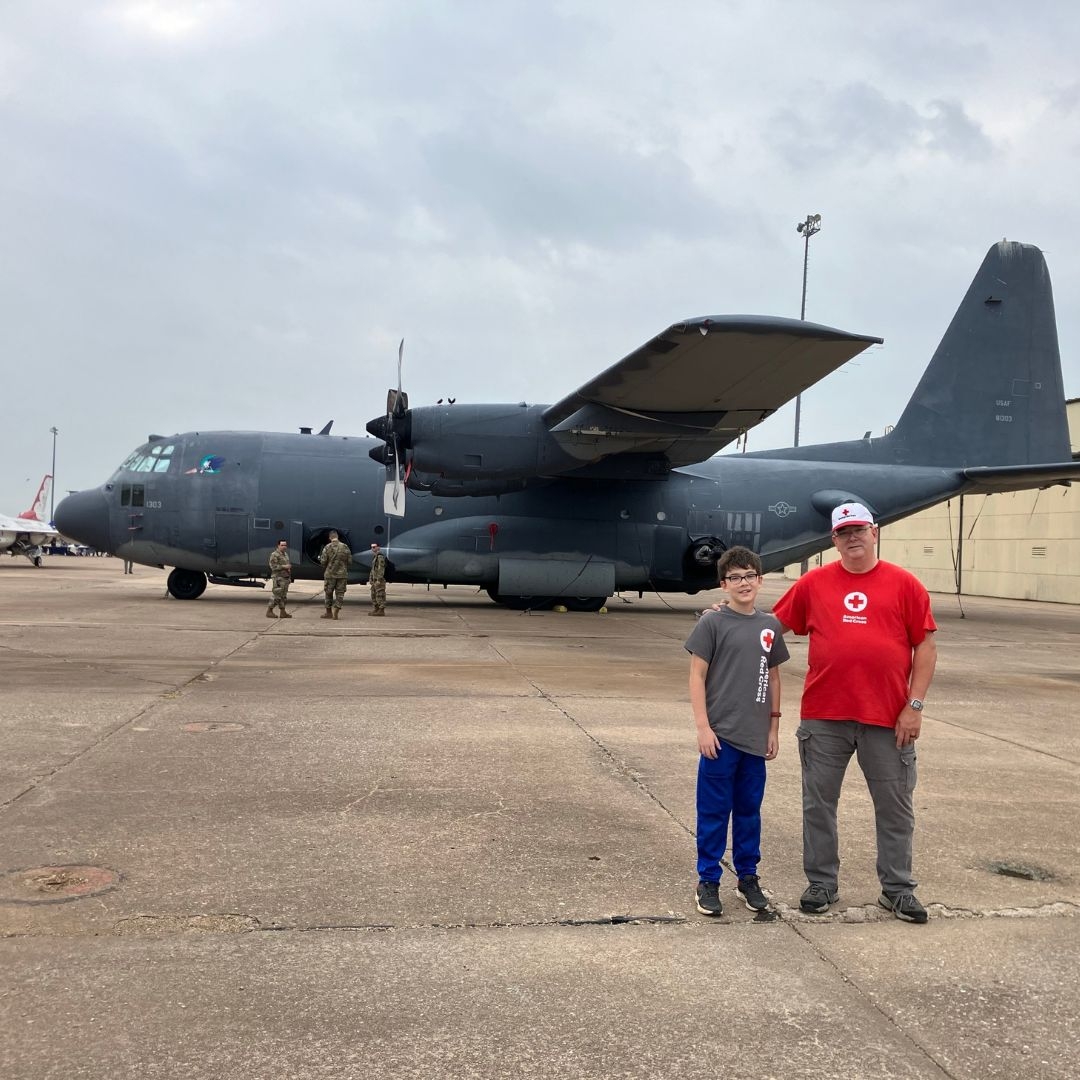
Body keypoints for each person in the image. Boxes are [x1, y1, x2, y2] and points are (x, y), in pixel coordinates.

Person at [771, 502, 938, 924]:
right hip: (824, 716)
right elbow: (772, 627)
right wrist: (730, 619)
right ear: (834, 540)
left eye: (859, 529)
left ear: (875, 531)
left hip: (887, 718)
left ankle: (897, 889)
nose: (852, 537)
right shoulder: (814, 583)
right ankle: (822, 883)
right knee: (819, 804)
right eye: (844, 532)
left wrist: (913, 706)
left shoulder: (905, 585)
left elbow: (926, 647)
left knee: (895, 804)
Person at [685, 545, 789, 917]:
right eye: (734, 578)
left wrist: (773, 725)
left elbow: (774, 675)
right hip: (720, 738)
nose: (742, 583)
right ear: (723, 584)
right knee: (713, 812)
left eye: (749, 576)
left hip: (755, 739)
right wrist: (703, 727)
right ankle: (708, 880)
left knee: (749, 812)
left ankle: (748, 877)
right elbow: (697, 675)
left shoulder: (770, 626)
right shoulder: (712, 622)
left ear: (760, 581)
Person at [319, 530, 352, 619]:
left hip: (330, 574)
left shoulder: (327, 547)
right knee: (340, 593)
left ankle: (328, 612)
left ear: (330, 538)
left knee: (328, 593)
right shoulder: (345, 547)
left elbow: (323, 562)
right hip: (342, 574)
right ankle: (336, 609)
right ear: (337, 537)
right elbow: (350, 561)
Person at [267, 539, 292, 619]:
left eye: (285, 545)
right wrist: (284, 567)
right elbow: (273, 566)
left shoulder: (285, 554)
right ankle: (269, 611)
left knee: (283, 596)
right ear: (278, 546)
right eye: (282, 545)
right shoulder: (274, 555)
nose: (284, 547)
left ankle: (283, 612)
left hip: (285, 578)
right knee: (277, 595)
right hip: (278, 578)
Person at [368, 542, 388, 616]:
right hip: (374, 580)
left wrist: (379, 579)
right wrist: (371, 578)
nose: (373, 548)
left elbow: (381, 569)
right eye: (372, 547)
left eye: (374, 547)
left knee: (380, 594)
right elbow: (373, 569)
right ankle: (376, 609)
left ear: (378, 547)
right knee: (373, 594)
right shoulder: (375, 557)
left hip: (379, 580)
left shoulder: (380, 557)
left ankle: (381, 610)